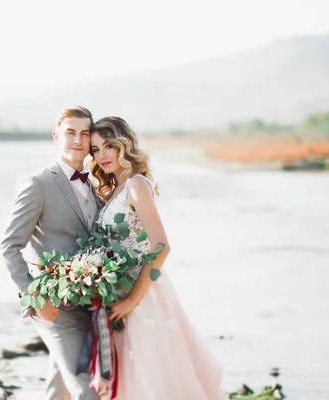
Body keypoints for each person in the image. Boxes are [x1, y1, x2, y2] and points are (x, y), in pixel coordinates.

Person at [89, 116, 224, 399]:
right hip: (119, 290)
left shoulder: (136, 184)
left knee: (153, 380)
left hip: (142, 295)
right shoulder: (111, 188)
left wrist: (132, 300)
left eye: (107, 146)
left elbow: (161, 246)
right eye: (95, 150)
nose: (101, 155)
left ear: (123, 146)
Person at [0, 106, 100, 400]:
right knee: (87, 389)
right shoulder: (37, 183)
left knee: (59, 388)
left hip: (93, 305)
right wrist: (34, 297)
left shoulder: (97, 180)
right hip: (55, 307)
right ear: (57, 136)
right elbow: (9, 245)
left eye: (84, 134)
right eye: (70, 133)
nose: (78, 140)